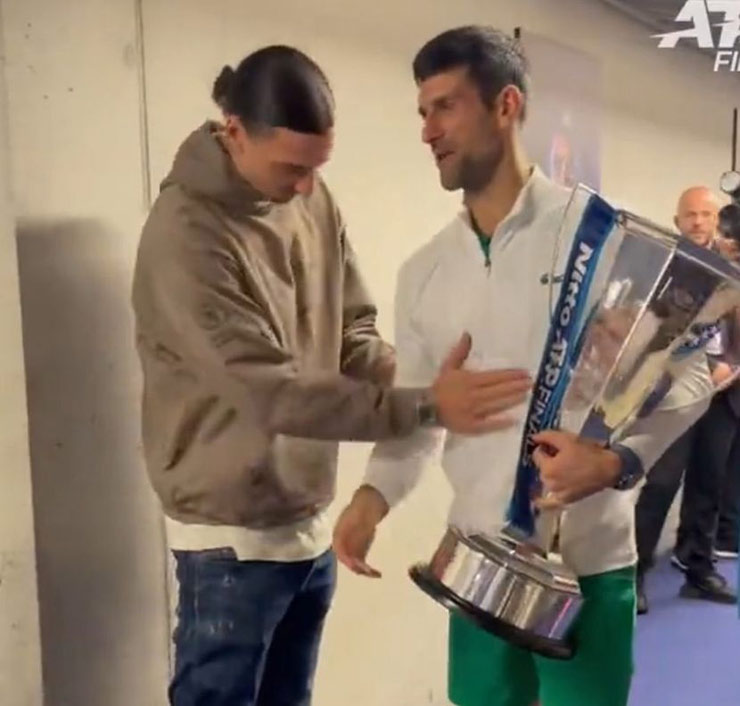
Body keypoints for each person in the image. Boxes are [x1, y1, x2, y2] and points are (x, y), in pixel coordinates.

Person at [131, 45, 533, 706]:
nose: (306, 188)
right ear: (235, 132)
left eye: (318, 167)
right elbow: (272, 393)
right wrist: (426, 405)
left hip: (306, 526)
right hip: (230, 542)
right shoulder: (186, 236)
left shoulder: (309, 195)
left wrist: (416, 377)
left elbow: (352, 330)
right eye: (292, 168)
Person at [333, 26, 711, 706]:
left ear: (506, 105)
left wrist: (615, 462)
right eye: (422, 111)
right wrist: (371, 498)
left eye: (446, 106)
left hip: (589, 566)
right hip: (476, 567)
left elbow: (690, 376)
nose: (428, 131)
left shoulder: (604, 240)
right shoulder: (425, 272)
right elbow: (420, 418)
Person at [634, 186, 737, 613]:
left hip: (723, 394)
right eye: (690, 215)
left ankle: (698, 568)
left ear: (717, 221)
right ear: (677, 221)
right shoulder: (663, 265)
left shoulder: (733, 267)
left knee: (709, 482)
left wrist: (730, 364)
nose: (698, 222)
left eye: (706, 214)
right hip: (675, 392)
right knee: (661, 483)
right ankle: (635, 576)